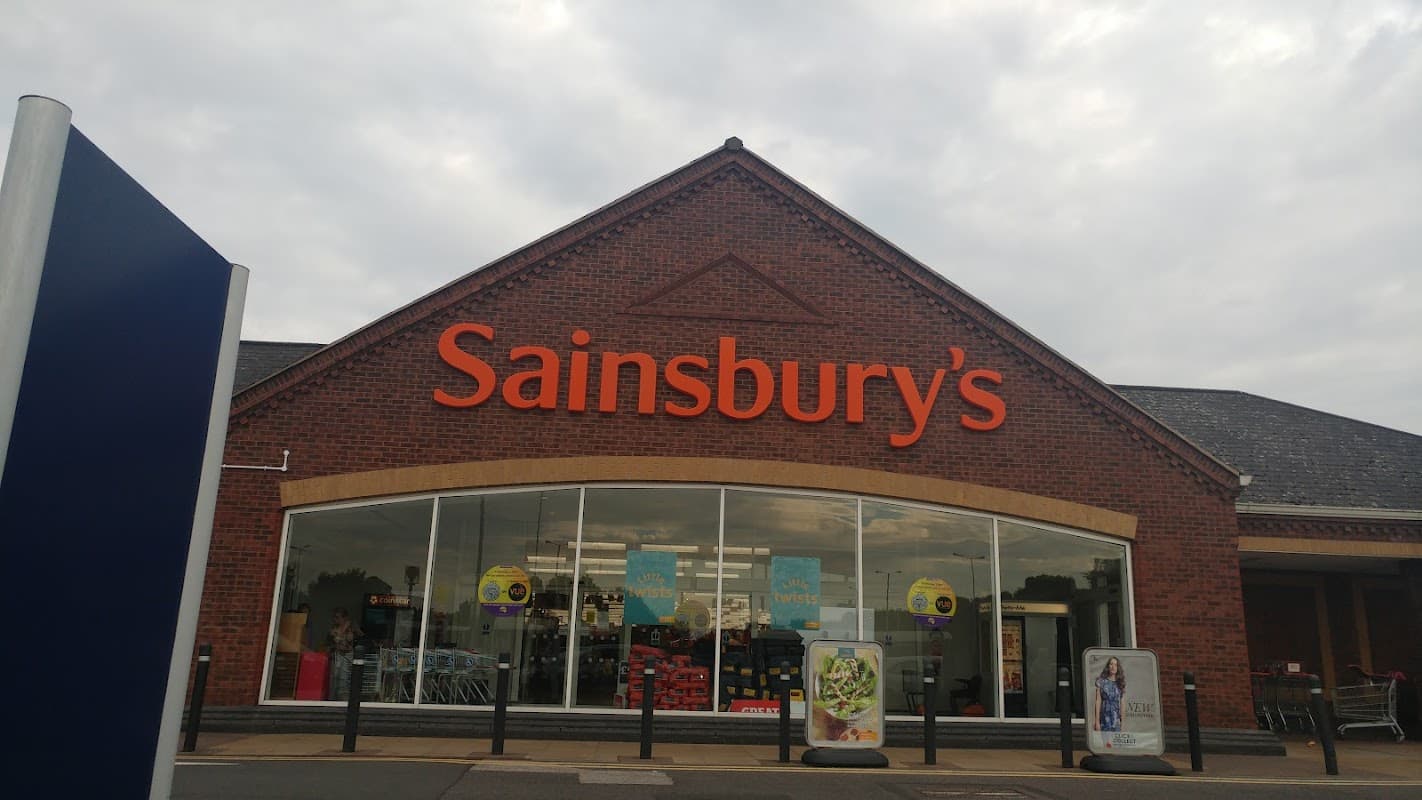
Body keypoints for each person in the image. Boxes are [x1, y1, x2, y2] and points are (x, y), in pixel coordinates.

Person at [327, 607, 362, 700]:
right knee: (334, 678)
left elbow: (359, 636)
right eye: (334, 617)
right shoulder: (334, 628)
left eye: (338, 617)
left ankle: (343, 700)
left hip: (347, 655)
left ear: (344, 618)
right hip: (337, 654)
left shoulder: (351, 627)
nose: (335, 619)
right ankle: (332, 699)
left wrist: (347, 632)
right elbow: (330, 639)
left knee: (344, 678)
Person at [1093, 656, 1126, 733]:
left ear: (1118, 668)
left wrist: (1123, 722)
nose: (1113, 667)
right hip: (1104, 718)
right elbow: (1098, 701)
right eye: (1111, 664)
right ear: (1108, 666)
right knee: (1106, 744)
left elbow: (1122, 703)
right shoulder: (1101, 682)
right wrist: (1097, 721)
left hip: (1116, 719)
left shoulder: (1120, 683)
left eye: (1115, 665)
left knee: (1116, 743)